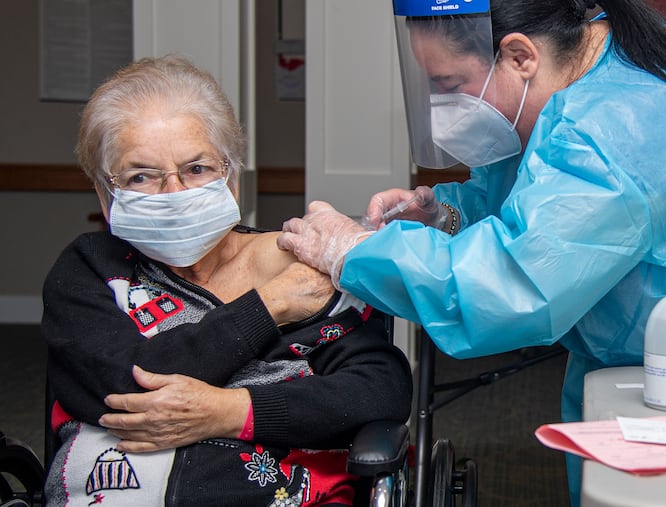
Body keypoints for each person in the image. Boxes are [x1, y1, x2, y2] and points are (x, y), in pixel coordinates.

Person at [276, 0, 666, 504]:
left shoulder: (615, 131)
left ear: (519, 55)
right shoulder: (615, 59)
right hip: (650, 364)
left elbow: (510, 286)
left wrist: (350, 249)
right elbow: (543, 202)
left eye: (448, 85)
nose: (442, 107)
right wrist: (446, 215)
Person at [41, 55, 413, 507]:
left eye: (197, 169)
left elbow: (379, 392)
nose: (175, 194)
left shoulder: (302, 264)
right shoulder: (93, 268)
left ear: (231, 178)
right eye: (142, 176)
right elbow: (127, 385)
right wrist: (268, 306)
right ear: (106, 194)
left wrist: (231, 412)